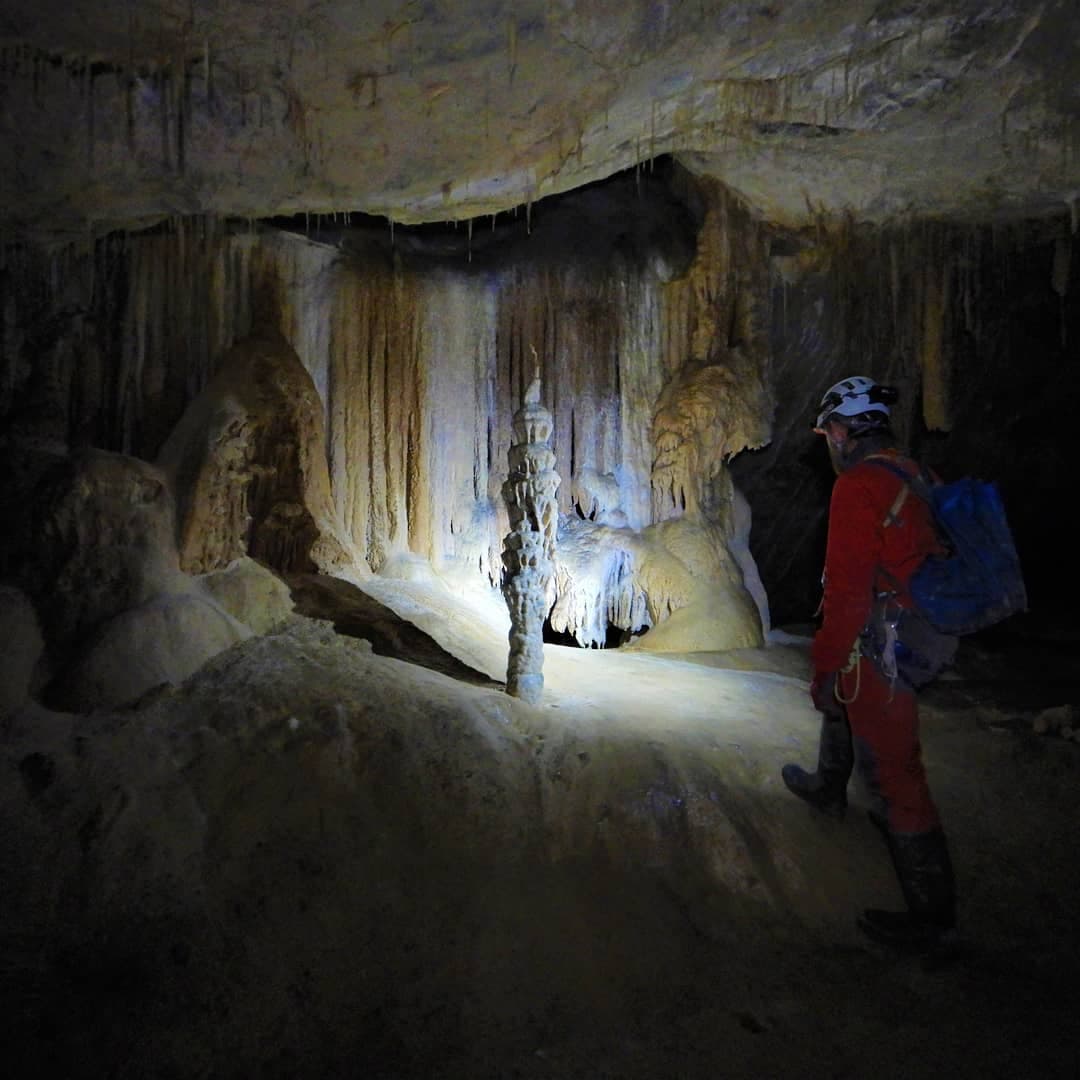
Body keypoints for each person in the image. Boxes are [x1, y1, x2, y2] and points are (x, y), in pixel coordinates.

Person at [782, 375, 959, 958]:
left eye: (829, 430)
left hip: (887, 641)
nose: (828, 441)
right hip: (925, 629)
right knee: (848, 711)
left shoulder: (857, 486)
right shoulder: (917, 475)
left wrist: (825, 667)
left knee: (897, 776)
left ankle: (933, 927)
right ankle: (828, 786)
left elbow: (849, 590)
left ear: (842, 429)